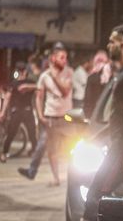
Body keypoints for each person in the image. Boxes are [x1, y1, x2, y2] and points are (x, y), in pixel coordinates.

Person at [83, 25, 123, 221]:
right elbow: (120, 117)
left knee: (93, 199)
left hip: (119, 151)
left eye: (112, 42)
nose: (108, 45)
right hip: (117, 148)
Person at [19, 42, 74, 186]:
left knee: (74, 147)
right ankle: (50, 176)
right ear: (53, 58)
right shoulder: (44, 76)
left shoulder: (69, 72)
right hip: (49, 117)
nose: (64, 60)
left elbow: (65, 91)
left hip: (66, 117)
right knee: (47, 147)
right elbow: (39, 96)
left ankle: (77, 176)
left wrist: (54, 76)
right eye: (61, 58)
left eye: (65, 58)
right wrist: (40, 115)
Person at [0, 61, 38, 162]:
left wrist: (3, 112)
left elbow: (7, 98)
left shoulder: (17, 83)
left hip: (19, 111)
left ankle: (4, 153)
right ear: (25, 71)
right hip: (24, 111)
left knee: (14, 133)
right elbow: (39, 87)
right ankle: (5, 153)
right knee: (30, 133)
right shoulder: (23, 83)